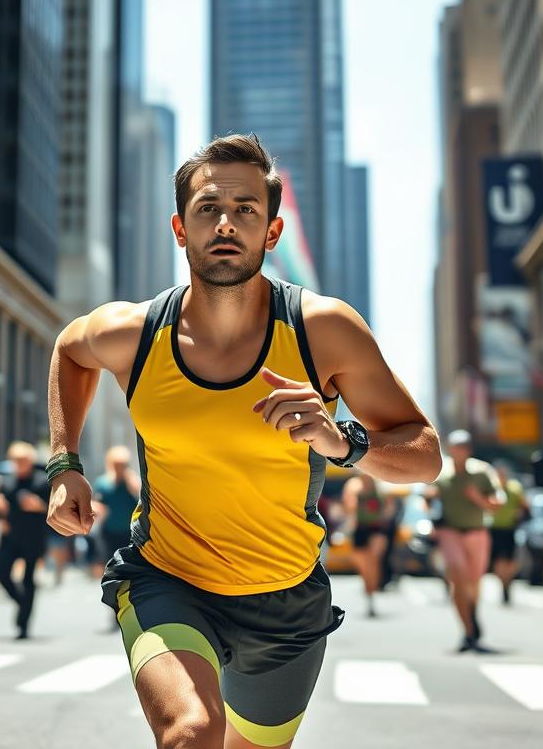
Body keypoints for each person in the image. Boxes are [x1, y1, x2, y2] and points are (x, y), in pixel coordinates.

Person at [46, 135, 440, 748]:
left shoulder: (323, 330)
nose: (226, 223)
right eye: (208, 208)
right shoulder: (137, 333)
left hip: (285, 602)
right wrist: (64, 462)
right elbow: (71, 349)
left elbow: (425, 455)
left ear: (272, 232)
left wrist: (342, 442)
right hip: (166, 578)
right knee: (193, 733)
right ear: (180, 229)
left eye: (246, 209)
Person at [425, 430, 505, 652]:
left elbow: (498, 502)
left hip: (477, 532)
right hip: (450, 532)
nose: (459, 451)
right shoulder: (442, 473)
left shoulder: (482, 471)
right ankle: (469, 630)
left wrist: (478, 498)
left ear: (469, 450)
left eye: (463, 447)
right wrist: (430, 503)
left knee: (473, 582)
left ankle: (471, 615)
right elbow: (427, 497)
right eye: (455, 447)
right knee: (458, 578)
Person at [0, 442, 50, 639]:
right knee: (1, 573)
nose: (19, 464)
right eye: (16, 460)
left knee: (28, 580)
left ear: (31, 461)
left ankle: (24, 625)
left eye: (23, 460)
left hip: (33, 538)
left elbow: (53, 509)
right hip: (10, 537)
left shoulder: (42, 481)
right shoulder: (6, 481)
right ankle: (21, 603)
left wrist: (39, 506)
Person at [341, 473, 395, 617]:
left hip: (376, 528)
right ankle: (369, 595)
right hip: (359, 529)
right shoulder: (353, 485)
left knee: (373, 560)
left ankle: (372, 592)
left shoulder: (380, 484)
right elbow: (348, 507)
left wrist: (382, 517)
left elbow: (389, 508)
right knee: (363, 566)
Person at [89, 446, 141, 579]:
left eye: (123, 465)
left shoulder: (133, 482)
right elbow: (97, 503)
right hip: (108, 532)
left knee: (127, 568)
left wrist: (132, 483)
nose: (120, 468)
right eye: (116, 464)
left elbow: (141, 501)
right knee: (108, 565)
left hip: (129, 533)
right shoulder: (103, 483)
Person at [489, 460, 527, 605]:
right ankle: (503, 585)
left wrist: (520, 513)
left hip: (511, 529)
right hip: (495, 529)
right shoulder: (492, 488)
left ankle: (507, 582)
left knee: (511, 561)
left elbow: (524, 505)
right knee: (499, 561)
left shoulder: (515, 488)